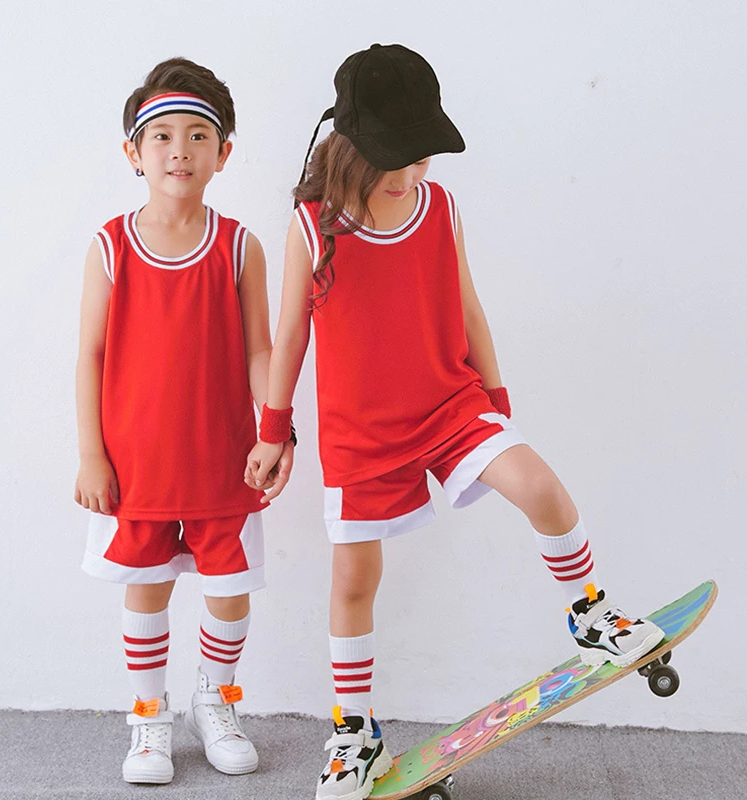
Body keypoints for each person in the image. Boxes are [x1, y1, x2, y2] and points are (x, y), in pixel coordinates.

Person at [245, 44, 664, 800]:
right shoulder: (312, 228)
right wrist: (274, 432)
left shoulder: (439, 207)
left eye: (422, 154)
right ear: (352, 146)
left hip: (450, 403)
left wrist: (495, 399)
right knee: (354, 581)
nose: (414, 171)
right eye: (398, 156)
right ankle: (354, 733)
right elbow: (290, 338)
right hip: (360, 433)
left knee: (540, 487)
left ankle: (592, 615)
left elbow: (467, 304)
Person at [74, 57, 293, 785]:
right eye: (162, 136)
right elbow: (90, 356)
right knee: (147, 586)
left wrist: (277, 430)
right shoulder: (110, 246)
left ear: (223, 153)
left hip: (225, 459)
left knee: (229, 589)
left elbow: (260, 350)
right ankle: (148, 718)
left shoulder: (240, 245)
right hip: (136, 463)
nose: (180, 150)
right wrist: (91, 455)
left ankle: (215, 700)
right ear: (133, 152)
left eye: (198, 136)